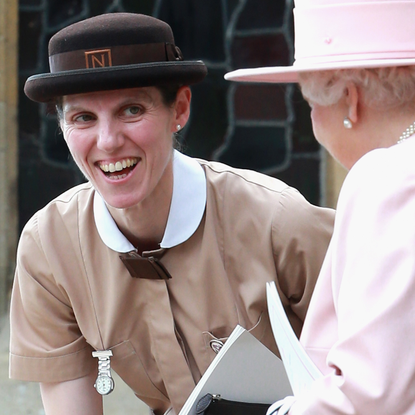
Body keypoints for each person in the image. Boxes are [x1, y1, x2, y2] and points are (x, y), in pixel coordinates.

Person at [9, 12, 334, 415]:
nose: (108, 142)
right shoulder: (48, 248)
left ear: (179, 108)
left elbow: (379, 373)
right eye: (83, 118)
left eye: (131, 110)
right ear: (62, 126)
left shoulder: (281, 221)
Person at [225, 0, 415, 413]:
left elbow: (371, 391)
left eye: (311, 105)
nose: (312, 124)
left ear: (350, 100)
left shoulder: (387, 177)